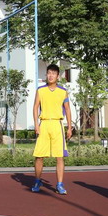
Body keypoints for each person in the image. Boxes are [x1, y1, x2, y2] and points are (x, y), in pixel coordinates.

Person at [31, 63, 73, 194]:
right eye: (49, 73)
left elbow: (67, 109)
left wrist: (69, 127)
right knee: (39, 156)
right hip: (44, 124)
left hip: (57, 125)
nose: (51, 76)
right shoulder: (40, 90)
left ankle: (60, 184)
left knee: (59, 156)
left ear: (58, 76)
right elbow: (35, 107)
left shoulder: (63, 91)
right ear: (46, 75)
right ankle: (37, 181)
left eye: (53, 73)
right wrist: (36, 124)